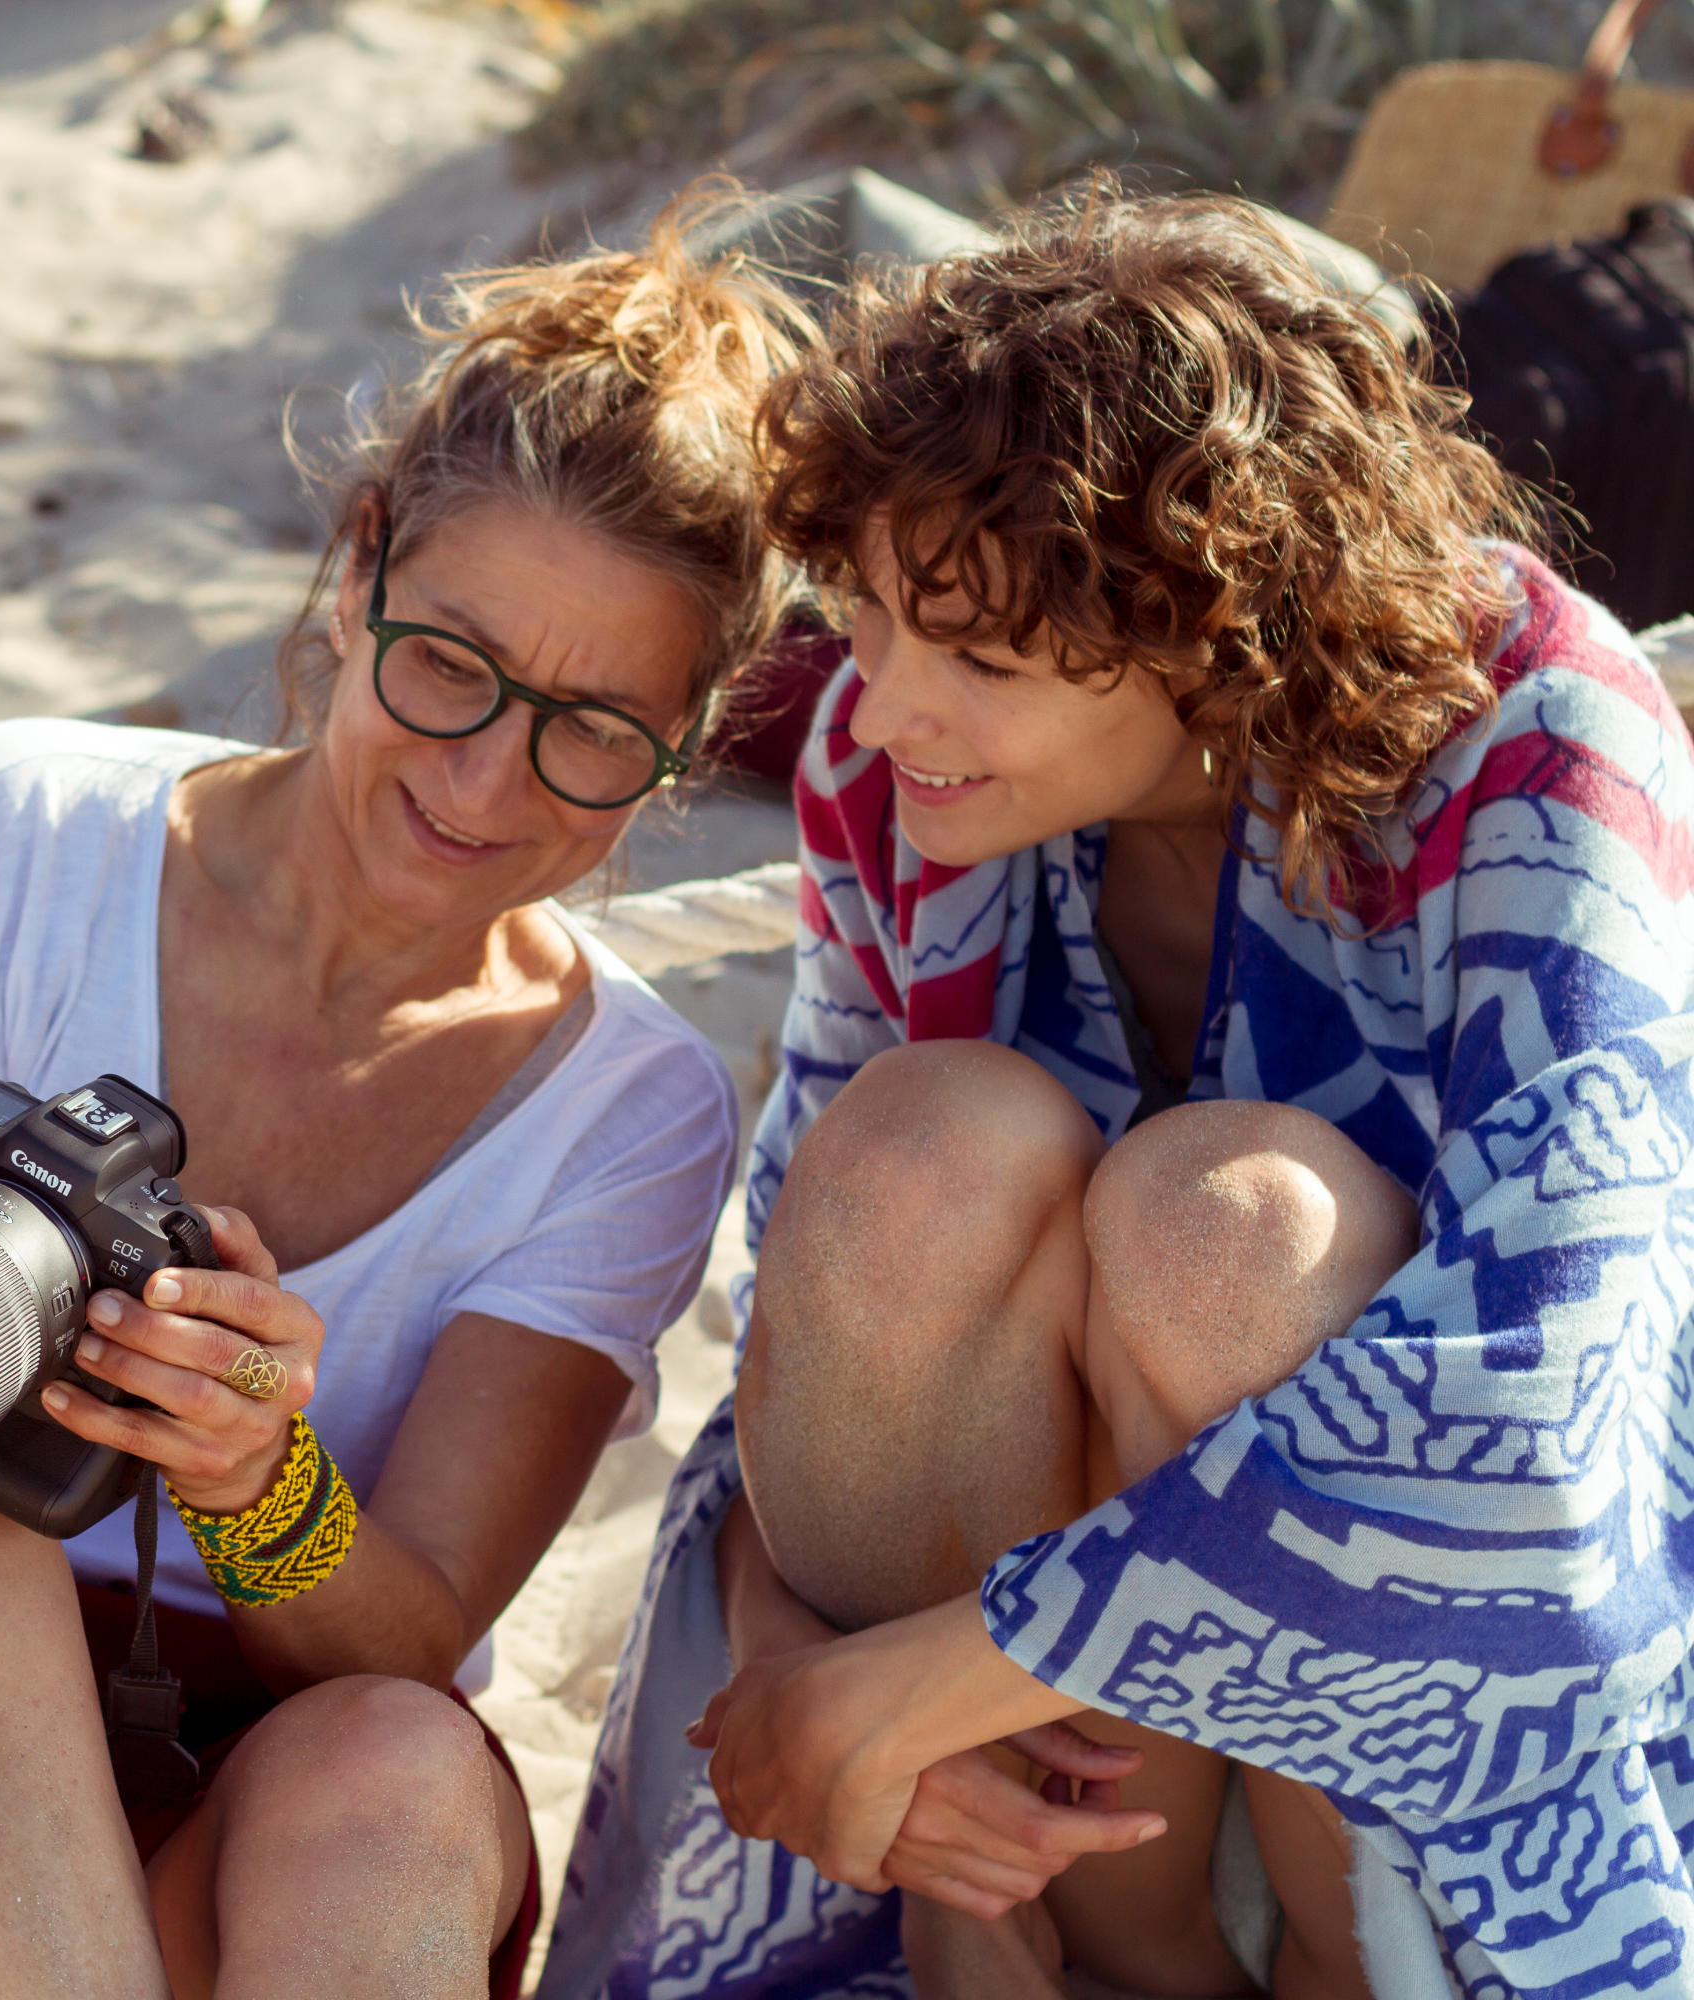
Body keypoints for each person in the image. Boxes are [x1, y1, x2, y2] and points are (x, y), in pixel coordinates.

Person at [0, 202, 800, 2000]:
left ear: (689, 743)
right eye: (449, 664)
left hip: (214, 1816)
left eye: (596, 728)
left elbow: (411, 1638)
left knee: (401, 1767)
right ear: (359, 567)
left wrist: (253, 1471)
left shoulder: (630, 1105)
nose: (485, 781)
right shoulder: (20, 829)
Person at [538, 189, 1694, 2000]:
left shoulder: (1536, 738)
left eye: (981, 661)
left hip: (1446, 1701)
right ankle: (1018, 1946)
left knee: (1229, 1227)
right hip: (1038, 1746)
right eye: (867, 616)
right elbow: (816, 1334)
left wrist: (934, 1682)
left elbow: (1549, 1421)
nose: (882, 711)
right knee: (913, 1154)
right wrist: (799, 1677)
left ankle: (1350, 1975)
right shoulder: (884, 762)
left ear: (1220, 637)